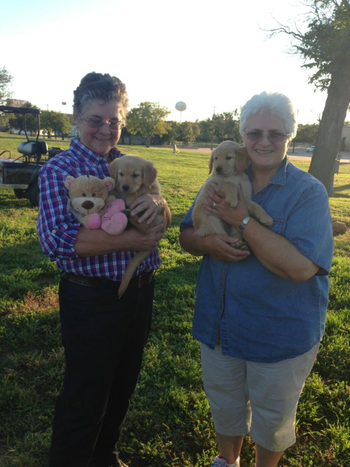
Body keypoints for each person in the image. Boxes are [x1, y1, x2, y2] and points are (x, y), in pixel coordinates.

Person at [179, 91, 333, 467]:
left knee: (272, 416)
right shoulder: (221, 175)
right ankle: (226, 461)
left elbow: (300, 268)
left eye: (275, 134)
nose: (264, 142)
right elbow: (186, 236)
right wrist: (211, 244)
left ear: (289, 137)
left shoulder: (307, 192)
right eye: (255, 133)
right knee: (225, 402)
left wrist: (241, 221)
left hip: (278, 332)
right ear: (242, 136)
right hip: (220, 325)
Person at [37, 72, 169, 467]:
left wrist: (160, 208)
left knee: (123, 383)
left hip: (140, 288)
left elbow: (161, 208)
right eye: (95, 119)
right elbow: (59, 241)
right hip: (91, 296)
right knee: (86, 392)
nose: (104, 128)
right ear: (76, 117)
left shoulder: (127, 166)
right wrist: (135, 240)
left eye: (114, 120)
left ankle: (104, 455)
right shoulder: (60, 170)